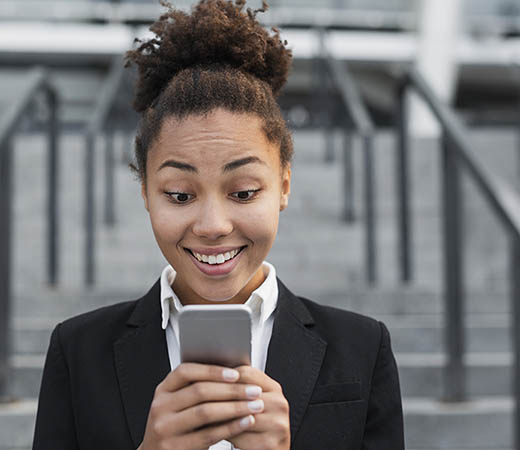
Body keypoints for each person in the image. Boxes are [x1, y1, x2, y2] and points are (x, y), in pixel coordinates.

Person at [31, 1, 405, 449]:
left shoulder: (361, 348)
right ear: (145, 193)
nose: (212, 225)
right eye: (180, 195)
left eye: (244, 192)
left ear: (283, 186)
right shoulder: (78, 352)